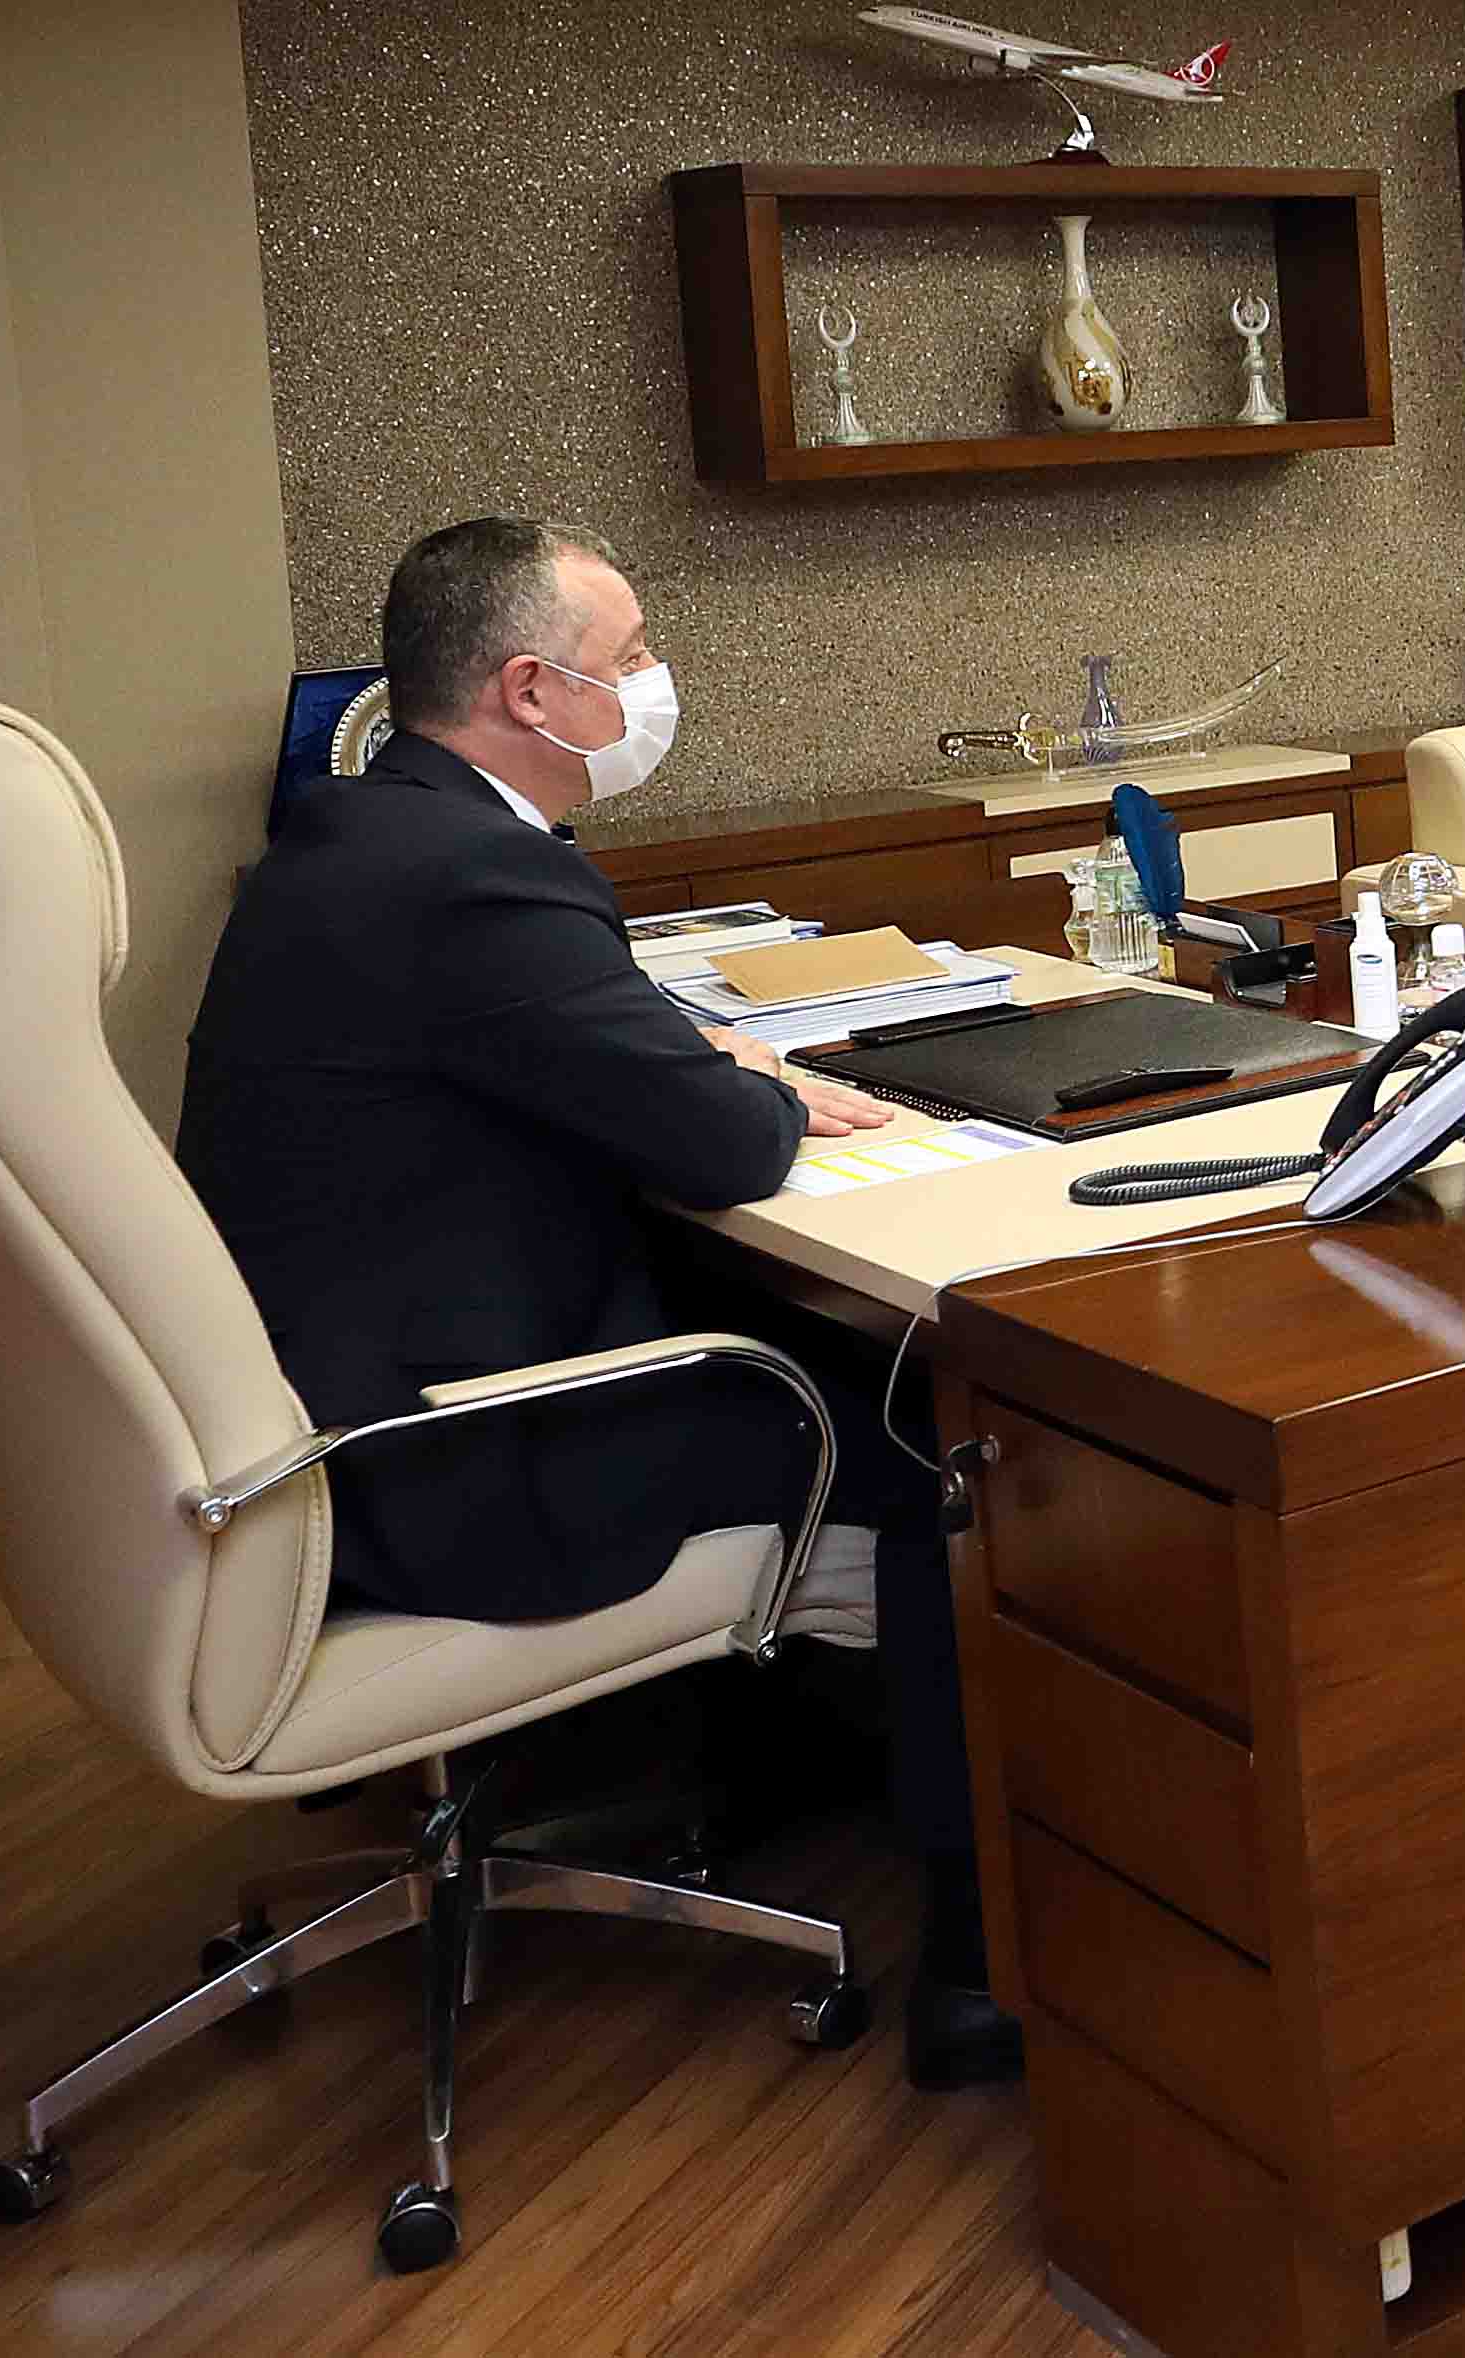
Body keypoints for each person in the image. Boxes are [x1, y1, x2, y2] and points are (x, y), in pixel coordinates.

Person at [176, 517, 1017, 2088]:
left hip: (328, 1404)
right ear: (529, 691)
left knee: (793, 1339)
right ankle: (985, 1965)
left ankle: (759, 1766)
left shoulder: (357, 838)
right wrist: (748, 1083)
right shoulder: (476, 875)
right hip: (447, 1461)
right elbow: (723, 1144)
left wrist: (685, 1058)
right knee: (940, 1440)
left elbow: (548, 1053)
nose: (651, 683)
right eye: (627, 658)